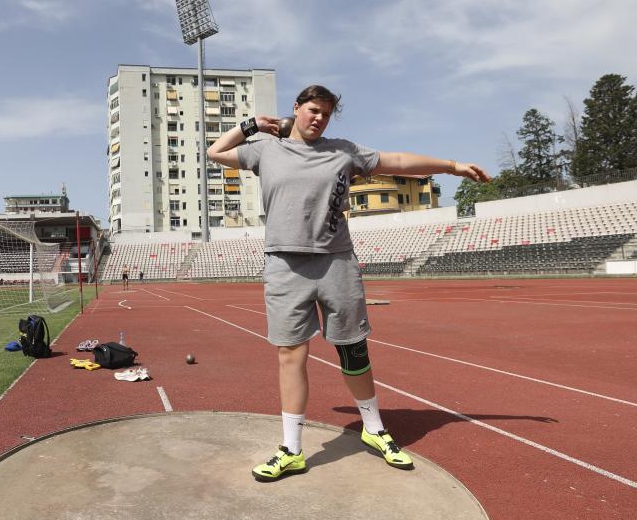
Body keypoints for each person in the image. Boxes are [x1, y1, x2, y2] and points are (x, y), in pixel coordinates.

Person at [206, 85, 490, 481]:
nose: (317, 117)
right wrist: (251, 124)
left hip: (337, 262)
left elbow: (397, 160)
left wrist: (450, 165)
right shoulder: (265, 150)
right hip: (285, 265)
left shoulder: (343, 151)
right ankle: (291, 449)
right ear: (296, 109)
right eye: (311, 110)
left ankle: (375, 430)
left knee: (353, 351)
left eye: (324, 112)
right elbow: (214, 151)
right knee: (291, 354)